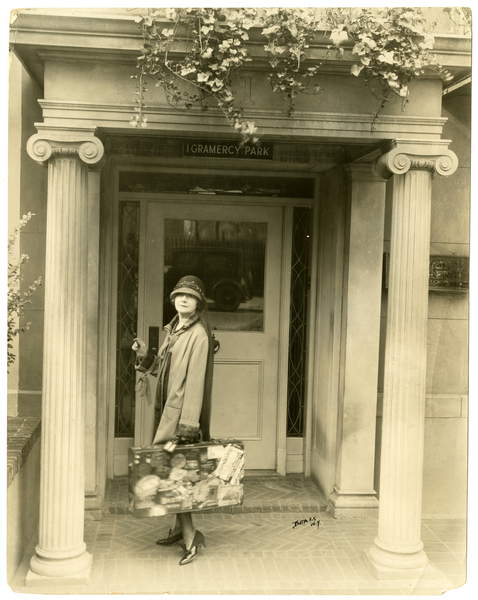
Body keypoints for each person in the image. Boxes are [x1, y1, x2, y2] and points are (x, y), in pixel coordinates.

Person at [134, 275, 217, 566]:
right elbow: (161, 371)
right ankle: (179, 530)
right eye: (179, 295)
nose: (184, 299)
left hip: (180, 420)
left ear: (198, 304)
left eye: (190, 297)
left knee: (174, 474)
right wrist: (144, 356)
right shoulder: (173, 330)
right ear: (173, 299)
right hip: (166, 414)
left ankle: (192, 536)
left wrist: (188, 427)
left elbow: (195, 383)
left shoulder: (199, 336)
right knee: (171, 472)